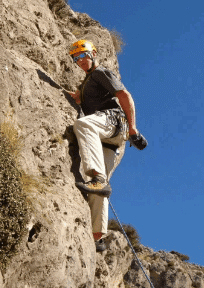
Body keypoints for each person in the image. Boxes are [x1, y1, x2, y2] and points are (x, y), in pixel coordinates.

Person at [67, 40, 147, 252]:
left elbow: (124, 96)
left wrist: (133, 129)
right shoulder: (86, 83)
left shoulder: (100, 72)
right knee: (99, 187)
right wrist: (78, 97)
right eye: (76, 58)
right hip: (107, 138)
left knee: (83, 125)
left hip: (114, 121)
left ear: (93, 53)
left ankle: (97, 177)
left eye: (83, 55)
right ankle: (97, 236)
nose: (80, 61)